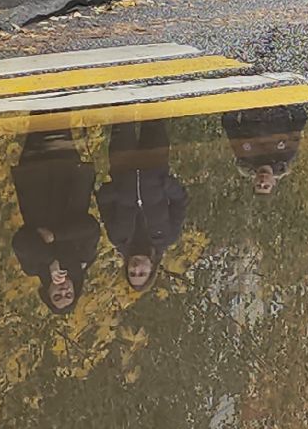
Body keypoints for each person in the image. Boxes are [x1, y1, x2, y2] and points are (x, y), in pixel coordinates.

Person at [10, 128, 101, 314]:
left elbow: (20, 242)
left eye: (57, 296)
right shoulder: (84, 258)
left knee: (37, 121)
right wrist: (55, 235)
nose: (63, 291)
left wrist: (50, 260)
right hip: (68, 176)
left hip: (34, 177)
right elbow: (91, 228)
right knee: (59, 120)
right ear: (75, 289)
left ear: (47, 292)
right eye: (69, 295)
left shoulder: (33, 266)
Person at [95, 119, 188, 293]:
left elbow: (104, 203)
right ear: (151, 268)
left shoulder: (117, 237)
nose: (137, 268)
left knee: (122, 118)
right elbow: (179, 202)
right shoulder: (167, 236)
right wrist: (165, 184)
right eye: (142, 273)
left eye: (132, 272)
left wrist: (117, 189)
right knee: (153, 116)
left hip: (122, 165)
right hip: (155, 164)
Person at [221, 104, 308, 195]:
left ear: (254, 182)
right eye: (266, 186)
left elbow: (230, 125)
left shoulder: (245, 157)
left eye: (258, 185)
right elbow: (299, 122)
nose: (262, 182)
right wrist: (290, 102)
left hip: (250, 104)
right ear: (273, 182)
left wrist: (237, 102)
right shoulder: (285, 156)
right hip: (278, 104)